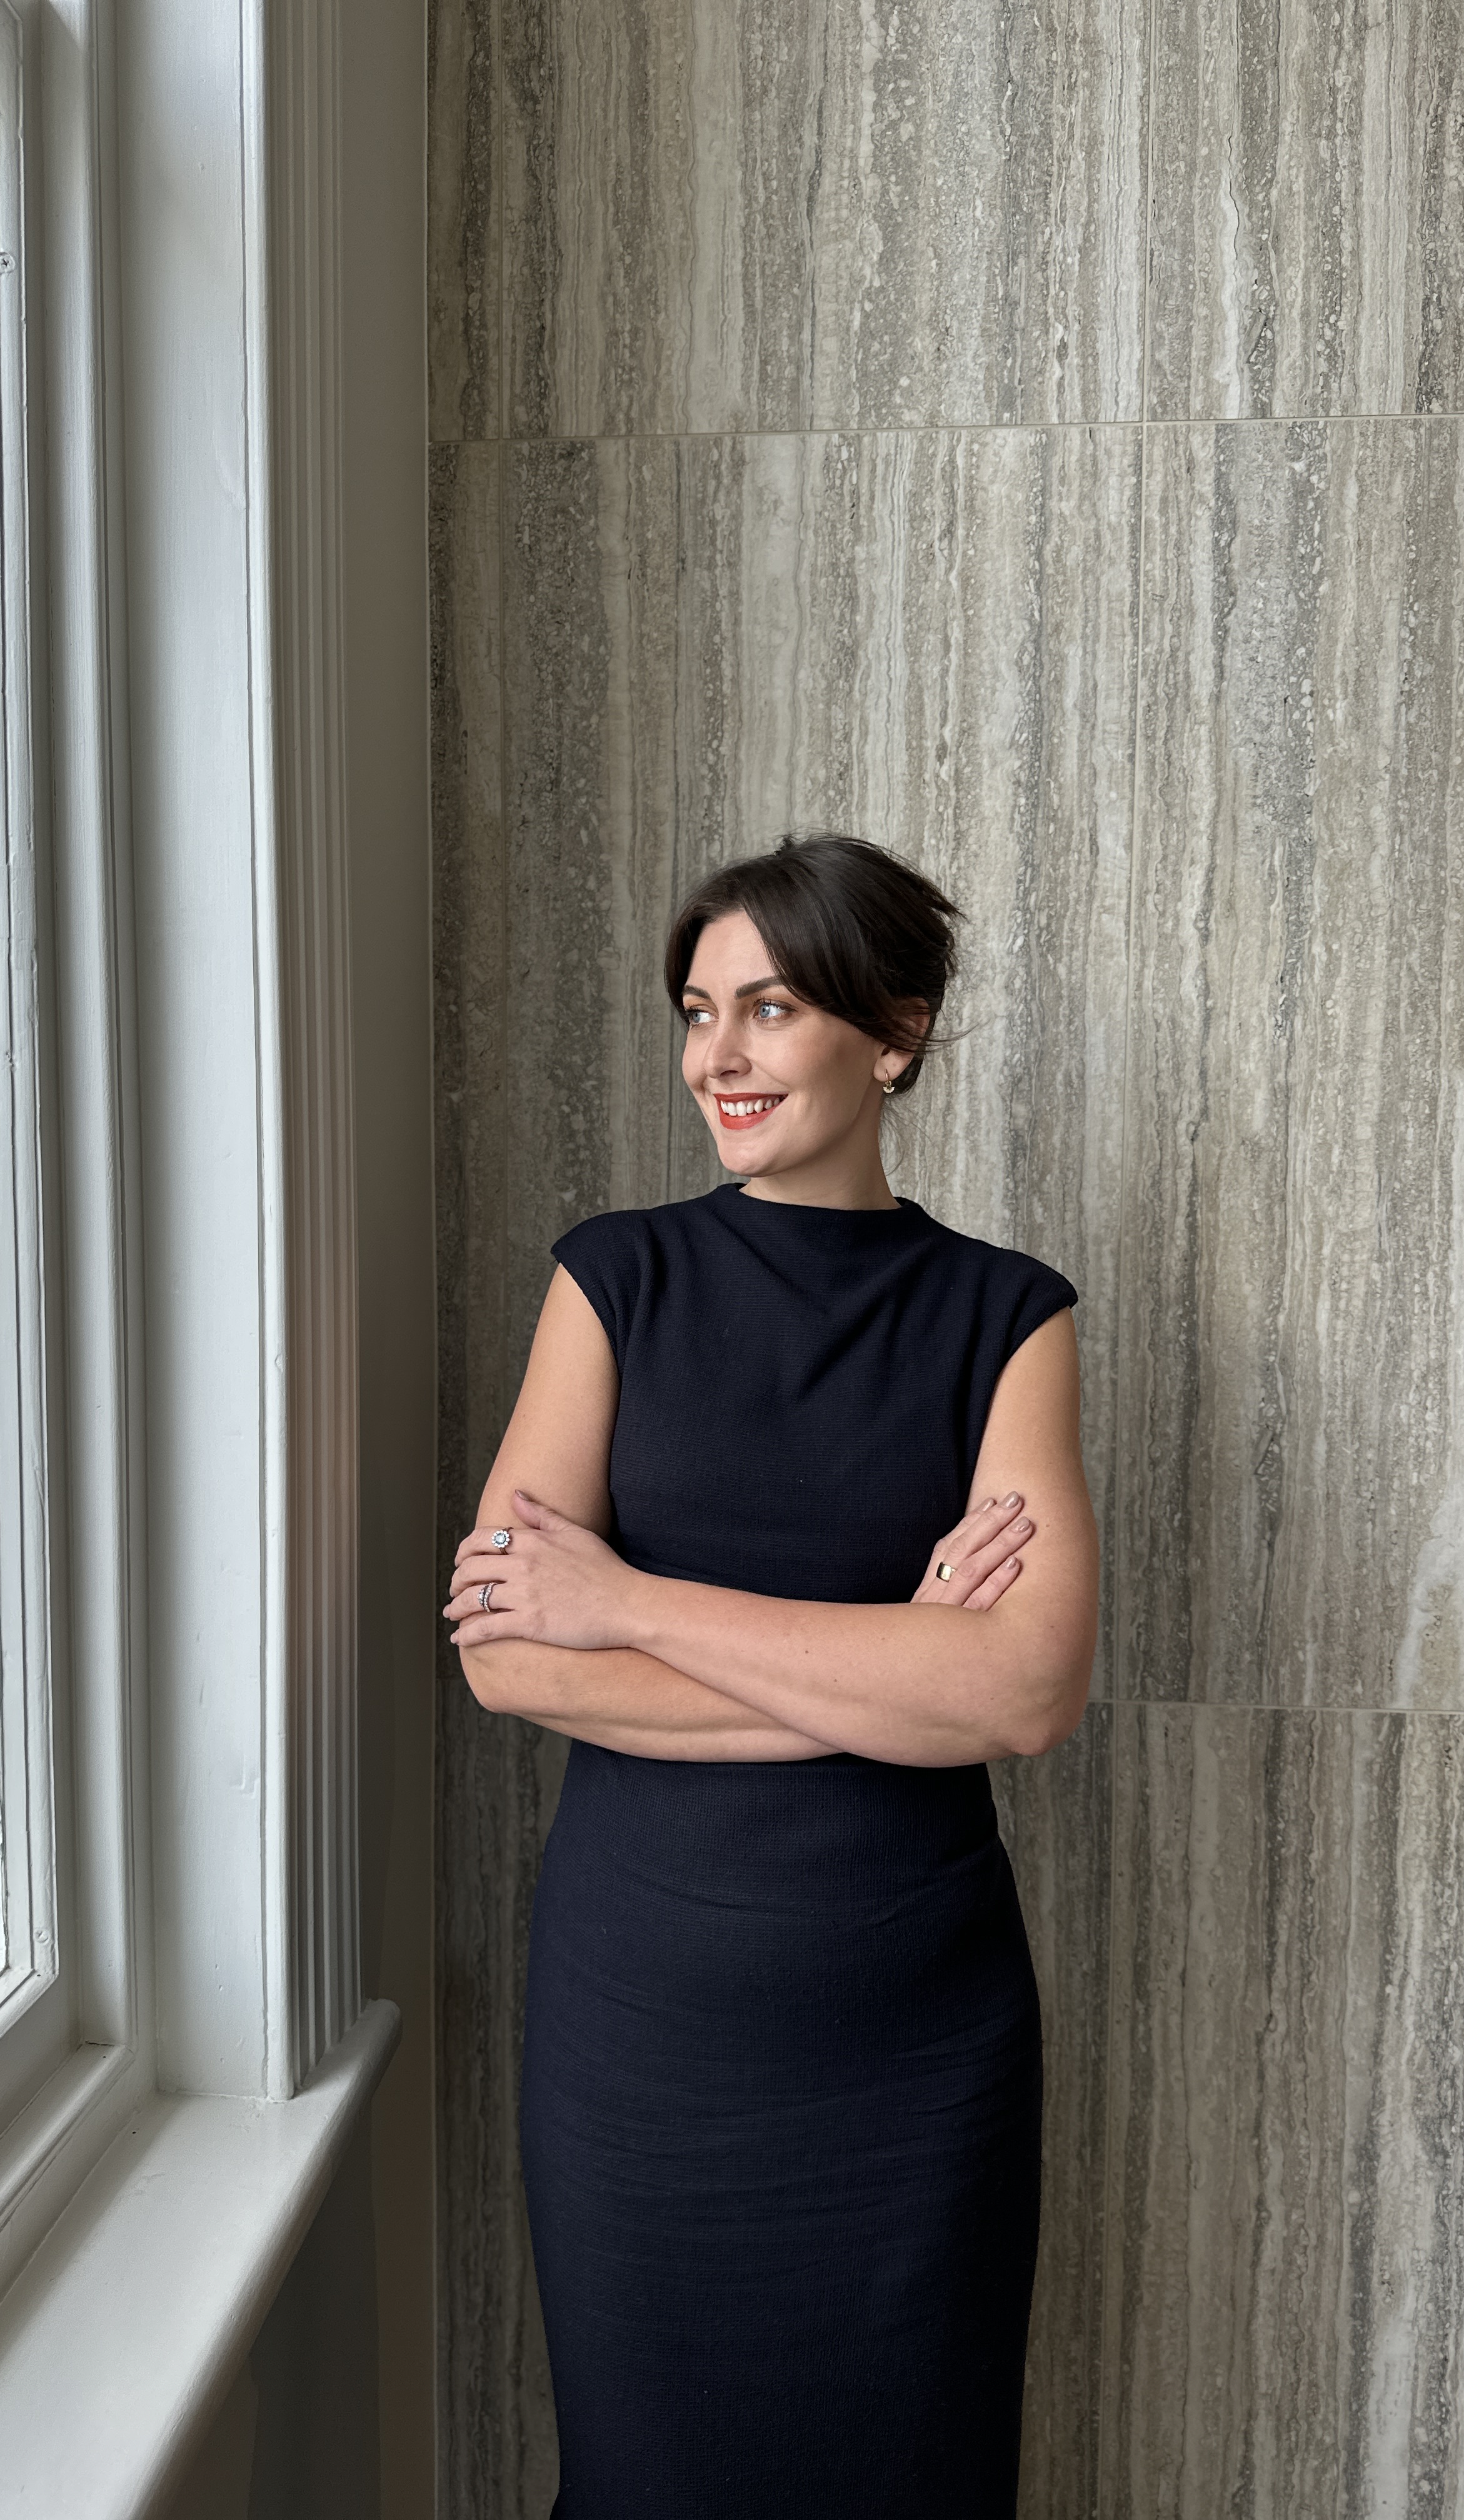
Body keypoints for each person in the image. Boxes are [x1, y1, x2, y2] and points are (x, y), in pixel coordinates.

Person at [446, 832, 1100, 2519]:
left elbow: (1023, 1695)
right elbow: (510, 1659)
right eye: (695, 1012)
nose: (713, 1059)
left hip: (912, 2038)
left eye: (769, 1008)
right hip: (645, 2025)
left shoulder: (1007, 1319)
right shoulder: (617, 1278)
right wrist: (894, 1669)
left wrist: (635, 1601)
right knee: (651, 2473)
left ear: (892, 1032)